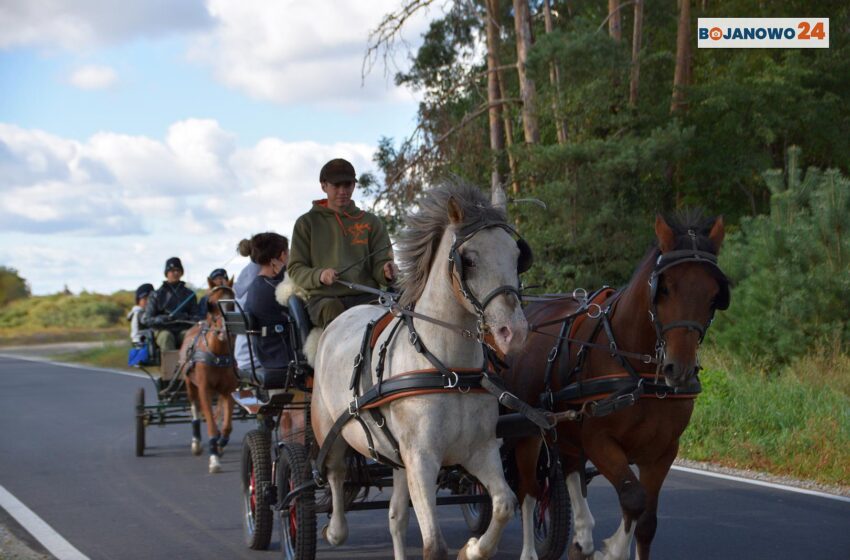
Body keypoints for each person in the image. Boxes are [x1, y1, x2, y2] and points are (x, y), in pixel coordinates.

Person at [287, 158, 396, 328]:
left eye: (348, 185)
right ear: (323, 186)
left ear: (354, 185)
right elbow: (295, 268)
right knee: (334, 310)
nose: (343, 191)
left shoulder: (371, 222)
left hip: (367, 296)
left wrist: (386, 272)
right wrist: (320, 275)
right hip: (325, 299)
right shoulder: (306, 223)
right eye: (336, 186)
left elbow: (381, 263)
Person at [243, 233, 291, 371]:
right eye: (288, 254)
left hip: (266, 354)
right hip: (283, 357)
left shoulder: (255, 286)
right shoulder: (276, 289)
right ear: (282, 256)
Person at [143, 257, 199, 352]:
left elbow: (197, 317)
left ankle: (189, 365)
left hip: (183, 330)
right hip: (163, 330)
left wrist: (185, 317)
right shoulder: (156, 295)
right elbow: (147, 319)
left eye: (178, 270)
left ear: (181, 273)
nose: (175, 273)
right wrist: (160, 319)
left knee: (191, 337)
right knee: (166, 337)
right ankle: (170, 366)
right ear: (166, 273)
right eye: (172, 271)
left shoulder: (190, 294)